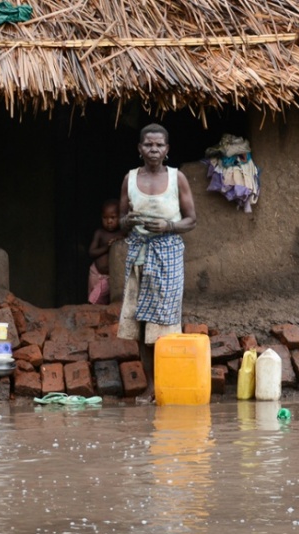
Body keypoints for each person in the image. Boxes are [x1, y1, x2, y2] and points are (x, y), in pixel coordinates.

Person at [116, 124, 197, 394]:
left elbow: (191, 220)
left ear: (167, 150)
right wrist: (128, 221)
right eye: (148, 145)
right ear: (140, 149)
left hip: (169, 255)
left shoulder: (178, 178)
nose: (154, 149)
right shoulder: (130, 179)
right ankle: (151, 386)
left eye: (159, 145)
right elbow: (121, 222)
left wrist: (169, 227)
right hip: (139, 257)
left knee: (164, 322)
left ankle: (168, 383)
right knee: (141, 325)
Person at [87, 199, 123, 304]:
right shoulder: (100, 233)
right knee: (94, 295)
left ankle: (92, 313)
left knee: (96, 298)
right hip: (95, 272)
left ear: (120, 217)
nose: (109, 221)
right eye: (105, 218)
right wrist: (107, 248)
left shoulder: (121, 234)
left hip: (109, 276)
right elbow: (91, 252)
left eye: (113, 217)